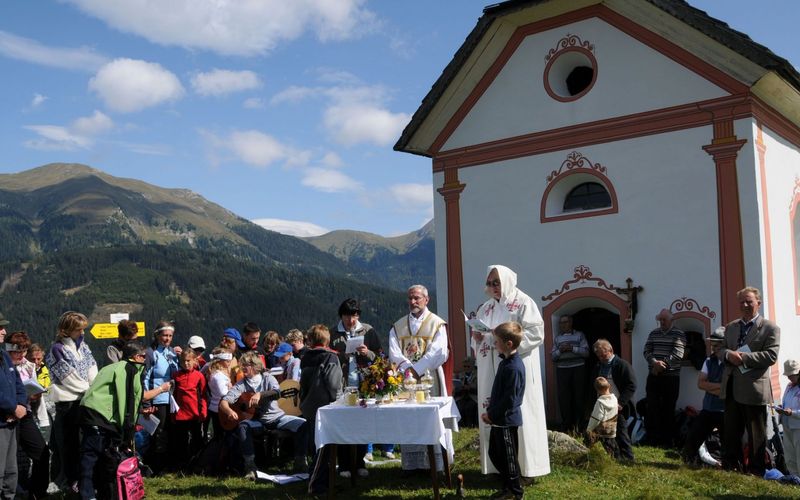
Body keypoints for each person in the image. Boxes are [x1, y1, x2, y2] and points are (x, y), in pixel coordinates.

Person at [470, 265, 550, 478]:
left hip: (516, 366)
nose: (492, 287)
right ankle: (498, 467)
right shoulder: (485, 308)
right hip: (490, 368)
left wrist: (511, 347)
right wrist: (477, 339)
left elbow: (536, 333)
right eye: (489, 283)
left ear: (506, 280)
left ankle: (526, 468)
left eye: (496, 282)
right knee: (493, 410)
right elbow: (477, 338)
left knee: (519, 414)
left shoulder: (523, 302)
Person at [78, 342, 170, 500]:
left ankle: (93, 493)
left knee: (93, 457)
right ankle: (95, 494)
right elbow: (124, 401)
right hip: (101, 417)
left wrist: (140, 411)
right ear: (136, 357)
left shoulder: (112, 367)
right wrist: (126, 432)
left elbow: (122, 398)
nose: (146, 359)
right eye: (144, 356)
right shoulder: (129, 369)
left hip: (90, 413)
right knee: (96, 458)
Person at [717, 286, 780, 475]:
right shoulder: (731, 327)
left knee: (756, 435)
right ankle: (732, 467)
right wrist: (728, 354)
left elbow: (771, 356)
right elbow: (719, 349)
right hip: (731, 387)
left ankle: (756, 471)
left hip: (754, 389)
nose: (745, 305)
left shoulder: (770, 328)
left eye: (749, 301)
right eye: (742, 302)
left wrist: (743, 358)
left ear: (758, 303)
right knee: (731, 432)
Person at [389, 285, 450, 473]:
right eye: (410, 298)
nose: (413, 302)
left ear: (426, 299)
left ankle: (436, 464)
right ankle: (413, 465)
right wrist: (409, 370)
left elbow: (439, 351)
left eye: (416, 298)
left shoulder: (436, 323)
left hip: (430, 377)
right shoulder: (398, 326)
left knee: (432, 419)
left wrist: (418, 369)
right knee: (409, 418)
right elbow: (394, 352)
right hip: (407, 379)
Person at [219, 351, 308, 478]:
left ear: (255, 366)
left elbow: (277, 393)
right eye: (241, 365)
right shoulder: (242, 383)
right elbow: (224, 401)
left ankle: (300, 462)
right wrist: (229, 411)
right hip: (258, 422)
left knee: (303, 424)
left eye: (246, 365)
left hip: (277, 418)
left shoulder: (268, 377)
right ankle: (250, 466)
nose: (242, 368)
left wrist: (260, 394)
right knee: (243, 426)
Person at [46, 311, 97, 492]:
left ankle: (84, 480)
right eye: (78, 330)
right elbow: (68, 378)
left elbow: (92, 367)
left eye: (83, 329)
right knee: (69, 445)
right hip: (67, 404)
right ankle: (70, 482)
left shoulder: (83, 346)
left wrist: (94, 386)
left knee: (85, 443)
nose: (82, 333)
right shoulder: (56, 349)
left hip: (85, 400)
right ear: (66, 330)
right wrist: (89, 389)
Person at [330, 298, 382, 477]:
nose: (351, 321)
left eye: (354, 316)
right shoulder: (333, 334)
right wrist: (342, 355)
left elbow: (379, 358)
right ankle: (344, 464)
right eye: (347, 316)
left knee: (362, 424)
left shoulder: (368, 330)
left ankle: (360, 462)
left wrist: (366, 353)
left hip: (363, 384)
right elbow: (329, 357)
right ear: (341, 316)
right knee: (344, 425)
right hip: (342, 386)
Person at [482, 321, 526, 500]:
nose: (494, 344)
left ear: (508, 344)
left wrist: (492, 414)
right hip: (499, 420)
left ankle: (516, 492)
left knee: (509, 459)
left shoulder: (514, 367)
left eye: (497, 341)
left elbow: (510, 399)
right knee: (495, 453)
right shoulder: (505, 363)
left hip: (506, 420)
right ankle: (507, 486)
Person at [6, 332, 49, 499]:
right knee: (12, 459)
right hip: (8, 416)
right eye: (18, 350)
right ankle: (17, 494)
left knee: (42, 452)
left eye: (24, 350)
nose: (22, 355)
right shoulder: (4, 363)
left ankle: (38, 492)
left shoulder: (28, 366)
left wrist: (35, 395)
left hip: (25, 415)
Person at [302, 325, 343, 496]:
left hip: (309, 406)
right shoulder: (330, 357)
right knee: (324, 449)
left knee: (317, 445)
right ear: (327, 340)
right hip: (326, 407)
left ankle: (327, 482)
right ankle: (315, 485)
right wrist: (340, 401)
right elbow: (334, 384)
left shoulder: (305, 357)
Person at [681, 327, 725, 465]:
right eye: (713, 345)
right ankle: (689, 461)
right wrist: (719, 387)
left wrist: (711, 386)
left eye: (717, 345)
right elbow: (700, 384)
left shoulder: (730, 363)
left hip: (725, 409)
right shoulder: (708, 361)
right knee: (694, 436)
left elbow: (729, 388)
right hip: (709, 408)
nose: (714, 348)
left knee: (729, 441)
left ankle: (731, 467)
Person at [642, 308, 686, 447]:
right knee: (652, 406)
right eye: (660, 319)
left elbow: (678, 354)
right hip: (653, 376)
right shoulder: (654, 333)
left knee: (668, 408)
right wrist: (654, 363)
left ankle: (667, 440)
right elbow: (646, 350)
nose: (661, 322)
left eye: (664, 320)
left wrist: (662, 365)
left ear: (672, 320)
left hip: (671, 378)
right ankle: (652, 438)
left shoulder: (678, 333)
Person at [143, 320, 181, 474]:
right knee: (159, 434)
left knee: (171, 432)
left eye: (170, 336)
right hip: (157, 399)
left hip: (172, 400)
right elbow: (145, 378)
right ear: (157, 335)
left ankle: (168, 464)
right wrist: (146, 402)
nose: (167, 338)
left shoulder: (172, 352)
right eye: (164, 335)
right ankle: (156, 467)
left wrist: (180, 356)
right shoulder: (151, 353)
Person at [590, 339, 636, 461]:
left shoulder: (622, 365)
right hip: (603, 405)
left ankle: (628, 458)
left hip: (617, 405)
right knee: (606, 433)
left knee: (621, 433)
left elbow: (631, 385)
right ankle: (615, 457)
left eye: (603, 354)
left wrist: (620, 403)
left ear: (610, 350)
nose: (601, 358)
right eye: (598, 355)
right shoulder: (598, 366)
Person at [0, 317, 27, 499]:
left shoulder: (3, 355)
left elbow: (18, 384)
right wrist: (12, 408)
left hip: (10, 422)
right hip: (2, 421)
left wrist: (22, 405)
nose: (3, 331)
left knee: (11, 471)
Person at [551, 314, 589, 432]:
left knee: (579, 396)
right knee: (564, 397)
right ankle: (567, 425)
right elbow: (553, 356)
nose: (562, 325)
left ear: (571, 322)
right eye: (561, 323)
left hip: (578, 368)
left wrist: (572, 349)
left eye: (565, 322)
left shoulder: (579, 335)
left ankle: (580, 425)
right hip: (562, 369)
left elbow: (586, 352)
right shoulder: (557, 338)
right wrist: (560, 350)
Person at [171, 347, 207, 469]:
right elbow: (174, 396)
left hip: (195, 414)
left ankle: (197, 463)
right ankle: (182, 464)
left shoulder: (199, 376)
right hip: (180, 414)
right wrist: (173, 414)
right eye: (183, 361)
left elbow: (203, 396)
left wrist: (203, 412)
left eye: (188, 361)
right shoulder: (176, 375)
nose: (186, 363)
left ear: (194, 361)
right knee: (181, 440)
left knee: (197, 439)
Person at [775, 359, 800, 475]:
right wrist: (781, 408)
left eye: (791, 375)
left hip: (798, 427)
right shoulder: (789, 386)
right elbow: (787, 402)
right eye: (788, 375)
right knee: (789, 454)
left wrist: (792, 413)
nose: (789, 378)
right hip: (787, 425)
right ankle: (794, 478)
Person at [204, 347, 233, 441]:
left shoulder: (214, 373)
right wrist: (230, 387)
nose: (229, 362)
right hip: (219, 409)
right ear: (220, 361)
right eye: (227, 360)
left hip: (215, 406)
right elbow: (222, 392)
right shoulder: (218, 376)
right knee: (221, 435)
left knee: (219, 434)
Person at [586, 377, 618, 458]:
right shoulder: (615, 399)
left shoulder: (600, 402)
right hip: (611, 428)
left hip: (601, 429)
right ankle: (615, 459)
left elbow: (596, 418)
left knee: (587, 442)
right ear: (609, 386)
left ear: (597, 390)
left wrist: (589, 429)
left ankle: (586, 456)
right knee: (611, 446)